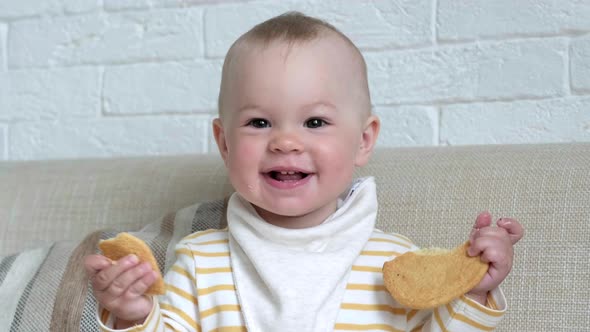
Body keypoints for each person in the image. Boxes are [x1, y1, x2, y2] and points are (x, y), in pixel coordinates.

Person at [84, 12, 524, 332]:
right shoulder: (201, 261)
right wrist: (134, 316)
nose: (285, 142)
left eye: (315, 122)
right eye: (259, 123)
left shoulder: (395, 262)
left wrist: (473, 292)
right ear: (224, 143)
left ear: (363, 141)